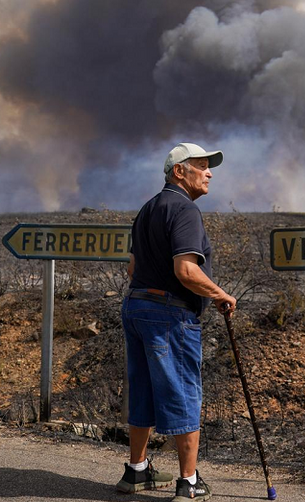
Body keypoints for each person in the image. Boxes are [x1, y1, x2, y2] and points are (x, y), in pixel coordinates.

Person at [116, 142, 237, 502]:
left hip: (136, 308)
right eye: (201, 166)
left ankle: (136, 471)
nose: (210, 172)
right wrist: (220, 294)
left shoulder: (147, 209)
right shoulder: (184, 210)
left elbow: (133, 268)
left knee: (143, 390)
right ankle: (189, 482)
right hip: (169, 315)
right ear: (179, 172)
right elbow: (185, 270)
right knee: (182, 391)